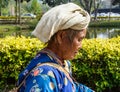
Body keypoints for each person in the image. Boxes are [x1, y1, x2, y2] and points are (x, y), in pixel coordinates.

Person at [17, 3, 94, 92]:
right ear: (61, 36)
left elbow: (73, 88)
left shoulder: (63, 63)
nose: (80, 46)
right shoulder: (43, 77)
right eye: (79, 39)